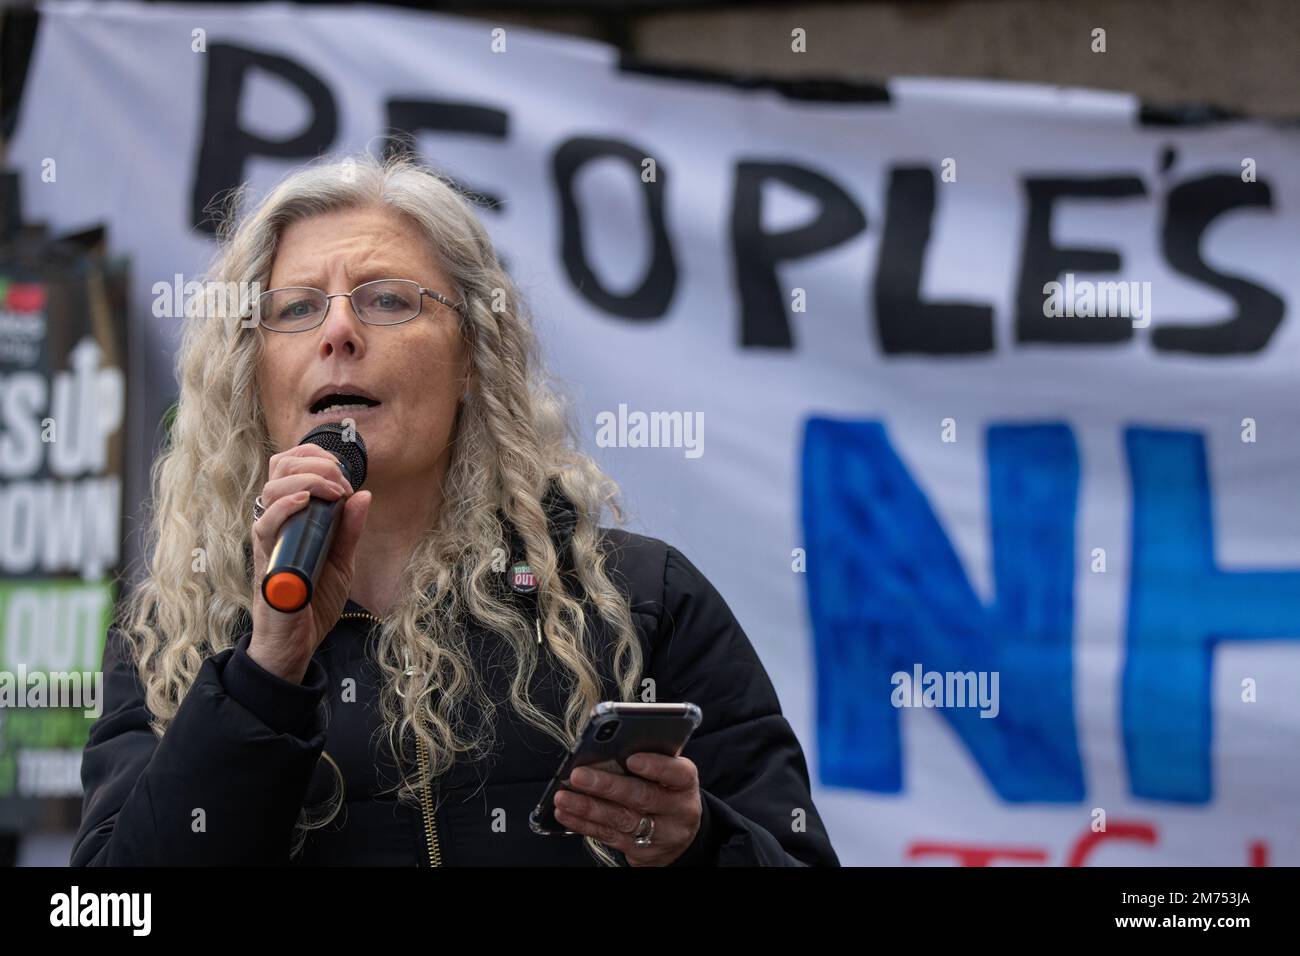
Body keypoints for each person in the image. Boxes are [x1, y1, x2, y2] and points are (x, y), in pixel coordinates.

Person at [72, 153, 839, 866]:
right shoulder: (172, 638)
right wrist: (265, 673)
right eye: (297, 309)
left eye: (387, 300)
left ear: (471, 357)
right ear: (254, 375)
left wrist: (699, 844)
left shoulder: (640, 602)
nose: (339, 331)